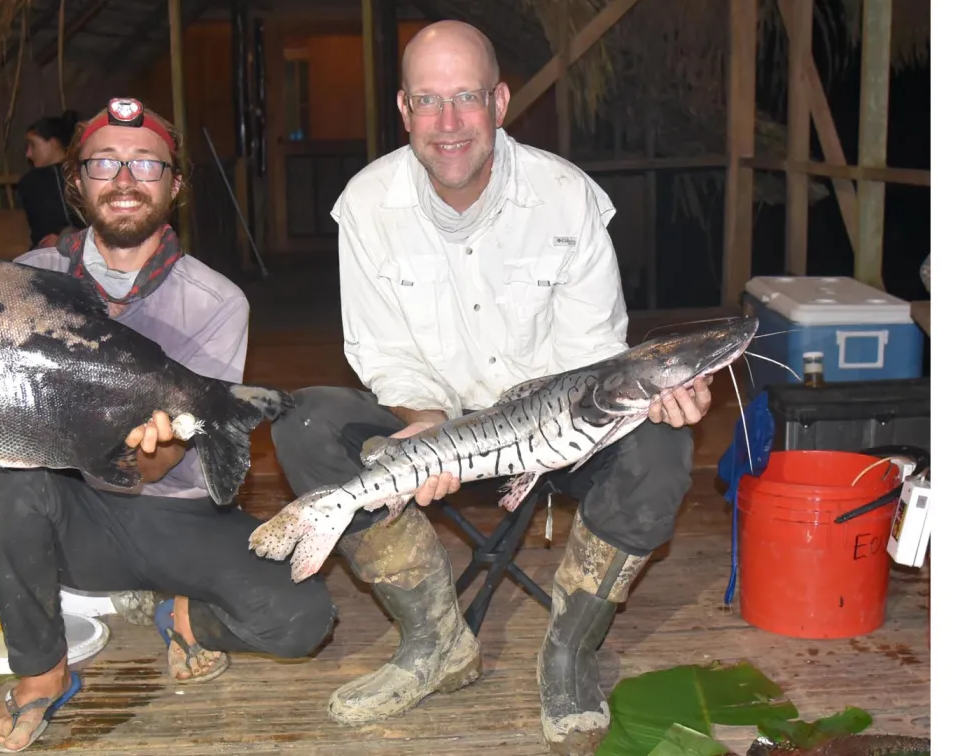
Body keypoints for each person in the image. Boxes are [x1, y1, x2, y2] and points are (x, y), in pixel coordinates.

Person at [269, 21, 713, 756]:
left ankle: (569, 651)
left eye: (467, 97)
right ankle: (435, 640)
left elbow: (594, 358)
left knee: (664, 442)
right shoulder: (366, 204)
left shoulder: (568, 198)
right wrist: (422, 424)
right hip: (433, 427)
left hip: (555, 433)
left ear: (500, 101)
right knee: (305, 424)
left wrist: (653, 398)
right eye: (429, 101)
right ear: (405, 110)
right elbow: (381, 349)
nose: (449, 124)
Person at [0, 98, 336, 753]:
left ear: (175, 184)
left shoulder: (215, 300)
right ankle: (42, 675)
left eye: (146, 162)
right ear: (77, 183)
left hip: (172, 515)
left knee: (303, 618)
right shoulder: (25, 280)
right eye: (104, 163)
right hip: (66, 511)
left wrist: (155, 448)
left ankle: (182, 614)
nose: (125, 178)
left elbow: (164, 464)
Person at [16, 110, 86, 249]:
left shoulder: (84, 173)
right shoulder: (30, 182)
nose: (28, 154)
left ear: (53, 143)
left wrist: (65, 239)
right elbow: (42, 236)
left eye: (33, 145)